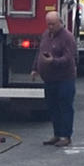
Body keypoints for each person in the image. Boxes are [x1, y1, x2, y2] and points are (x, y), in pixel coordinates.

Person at [31, 11, 77, 147]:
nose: (50, 27)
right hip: (49, 79)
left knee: (65, 107)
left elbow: (69, 58)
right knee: (53, 107)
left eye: (53, 24)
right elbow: (39, 53)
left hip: (64, 79)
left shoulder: (67, 37)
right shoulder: (46, 35)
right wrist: (35, 68)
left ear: (59, 23)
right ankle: (57, 134)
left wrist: (53, 61)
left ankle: (66, 136)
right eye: (48, 24)